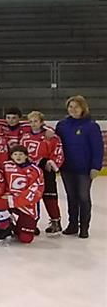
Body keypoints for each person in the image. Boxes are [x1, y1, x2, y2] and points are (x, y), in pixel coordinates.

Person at [55, 95, 103, 239]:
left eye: (76, 106)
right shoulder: (62, 125)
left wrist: (96, 166)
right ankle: (73, 225)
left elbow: (98, 148)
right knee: (71, 197)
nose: (73, 109)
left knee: (83, 197)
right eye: (71, 106)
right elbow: (56, 144)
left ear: (83, 108)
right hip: (67, 168)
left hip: (84, 169)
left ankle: (84, 227)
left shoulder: (91, 126)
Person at [21, 111, 64, 235]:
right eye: (31, 121)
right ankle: (32, 223)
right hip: (29, 171)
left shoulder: (50, 136)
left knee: (50, 196)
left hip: (45, 170)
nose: (33, 124)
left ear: (41, 122)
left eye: (36, 121)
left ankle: (55, 221)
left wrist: (52, 162)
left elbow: (58, 151)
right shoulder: (25, 136)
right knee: (32, 198)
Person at [1, 145, 45, 244]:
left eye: (21, 154)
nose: (18, 156)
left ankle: (21, 227)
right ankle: (6, 225)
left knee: (25, 238)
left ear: (26, 156)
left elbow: (35, 192)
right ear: (11, 156)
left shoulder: (35, 170)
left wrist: (14, 200)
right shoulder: (6, 166)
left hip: (27, 205)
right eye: (15, 154)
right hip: (9, 201)